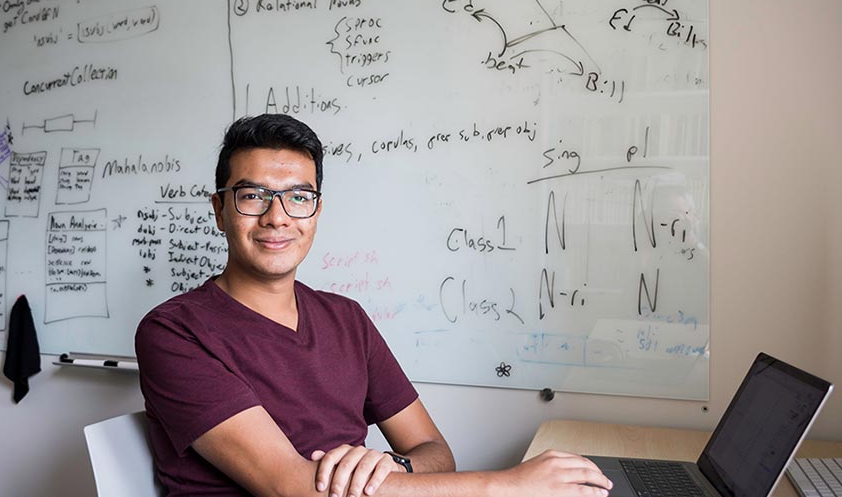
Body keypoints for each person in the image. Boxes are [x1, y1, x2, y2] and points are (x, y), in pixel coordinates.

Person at [136, 114, 612, 497]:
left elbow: (434, 451)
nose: (277, 217)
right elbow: (292, 488)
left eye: (298, 197)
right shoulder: (173, 332)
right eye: (253, 196)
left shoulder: (347, 318)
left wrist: (390, 464)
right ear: (219, 210)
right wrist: (508, 485)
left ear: (316, 212)